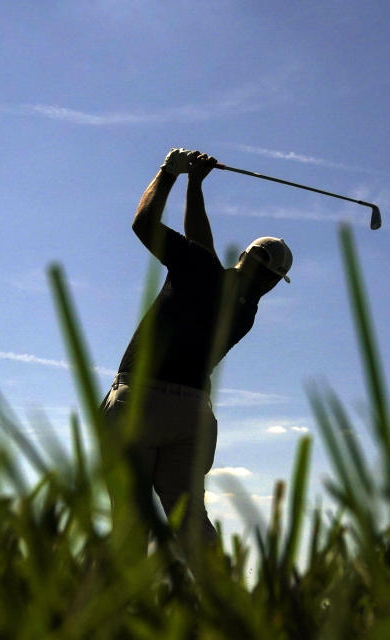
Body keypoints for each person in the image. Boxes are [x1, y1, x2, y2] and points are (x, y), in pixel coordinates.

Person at [101, 148, 293, 548]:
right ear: (273, 280)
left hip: (140, 399)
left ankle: (119, 605)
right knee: (190, 522)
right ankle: (223, 601)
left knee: (130, 519)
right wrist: (195, 185)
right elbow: (200, 246)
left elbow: (144, 224)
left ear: (244, 255)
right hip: (192, 416)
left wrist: (172, 173)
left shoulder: (199, 269)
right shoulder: (246, 312)